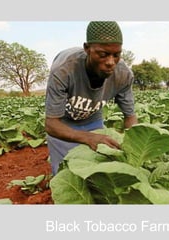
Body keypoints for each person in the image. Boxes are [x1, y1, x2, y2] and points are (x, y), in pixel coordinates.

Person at [45, 21, 138, 175]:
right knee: (65, 175)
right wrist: (88, 138)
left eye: (116, 55)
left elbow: (130, 117)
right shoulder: (63, 70)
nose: (110, 62)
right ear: (87, 49)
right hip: (63, 123)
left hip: (93, 118)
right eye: (103, 55)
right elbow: (51, 124)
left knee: (97, 172)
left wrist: (135, 150)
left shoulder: (123, 75)